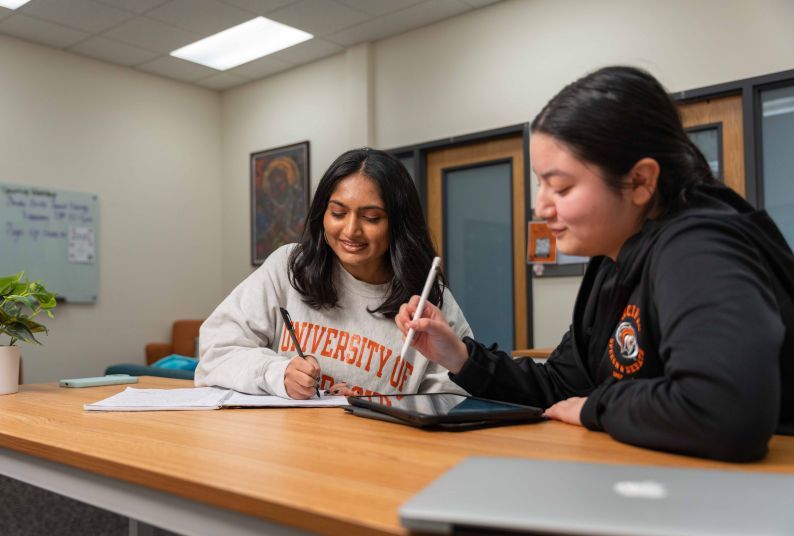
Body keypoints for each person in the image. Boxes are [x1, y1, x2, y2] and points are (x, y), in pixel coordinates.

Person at [396, 66, 794, 462]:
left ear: (639, 182)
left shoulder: (699, 248)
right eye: (540, 183)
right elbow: (562, 384)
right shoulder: (611, 262)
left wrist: (596, 406)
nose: (540, 205)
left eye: (562, 186)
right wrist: (461, 358)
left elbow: (724, 411)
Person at [197, 148, 473, 400]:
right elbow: (216, 351)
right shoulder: (290, 267)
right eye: (338, 213)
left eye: (371, 218)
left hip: (384, 451)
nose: (351, 230)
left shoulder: (428, 299)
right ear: (322, 213)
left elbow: (456, 398)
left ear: (399, 224)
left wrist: (376, 406)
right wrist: (278, 374)